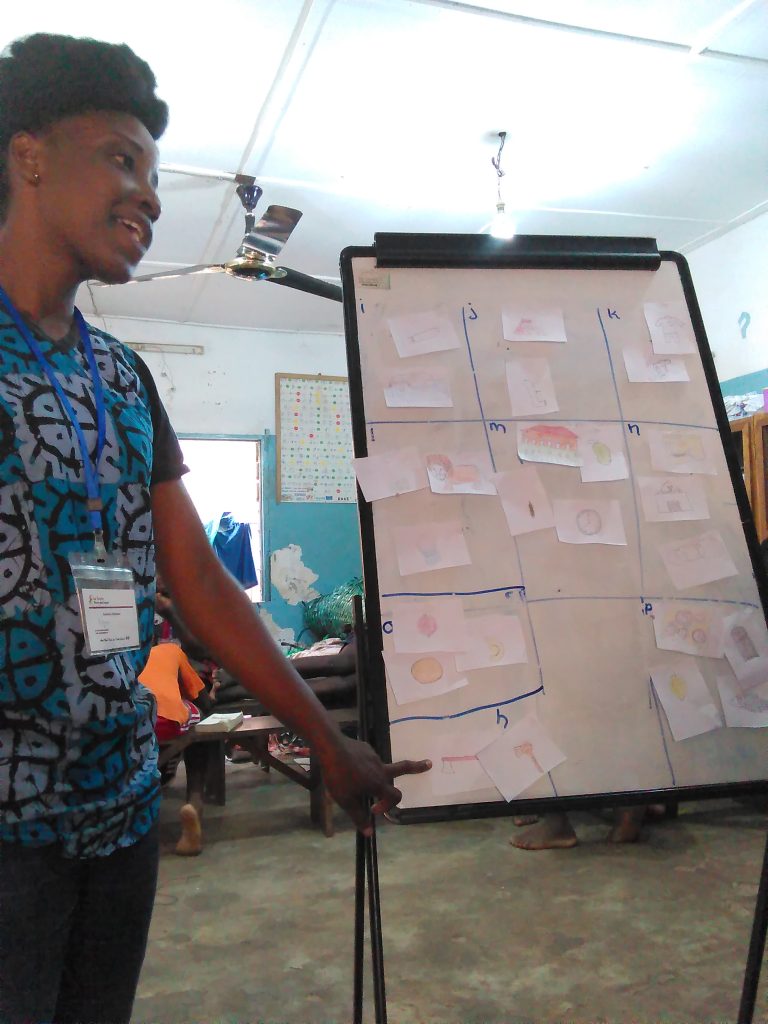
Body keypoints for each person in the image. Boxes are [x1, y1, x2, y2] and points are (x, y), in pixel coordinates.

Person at [0, 33, 430, 1024]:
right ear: (28, 157)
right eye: (121, 159)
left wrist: (328, 741)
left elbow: (199, 581)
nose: (149, 197)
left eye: (155, 176)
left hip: (119, 816)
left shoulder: (121, 377)